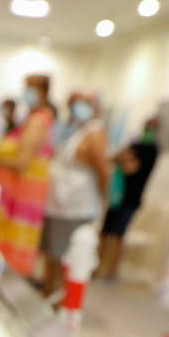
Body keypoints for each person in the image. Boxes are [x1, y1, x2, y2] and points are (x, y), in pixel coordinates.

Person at [40, 92, 111, 298]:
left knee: (67, 259)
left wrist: (102, 203)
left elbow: (103, 171)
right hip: (59, 205)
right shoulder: (75, 130)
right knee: (53, 255)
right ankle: (50, 293)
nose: (76, 107)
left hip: (76, 208)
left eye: (82, 103)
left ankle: (61, 301)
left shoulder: (95, 133)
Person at [0, 74, 55, 278]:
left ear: (43, 92)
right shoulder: (31, 119)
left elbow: (21, 163)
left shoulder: (37, 121)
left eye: (30, 89)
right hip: (15, 194)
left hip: (21, 197)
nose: (26, 93)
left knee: (10, 257)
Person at [97, 117, 160, 281]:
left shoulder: (153, 150)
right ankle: (96, 267)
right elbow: (114, 158)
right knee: (104, 233)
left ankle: (112, 272)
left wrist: (125, 159)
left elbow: (131, 168)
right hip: (117, 196)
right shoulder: (135, 145)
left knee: (119, 236)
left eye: (152, 127)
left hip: (131, 199)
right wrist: (125, 158)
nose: (149, 129)